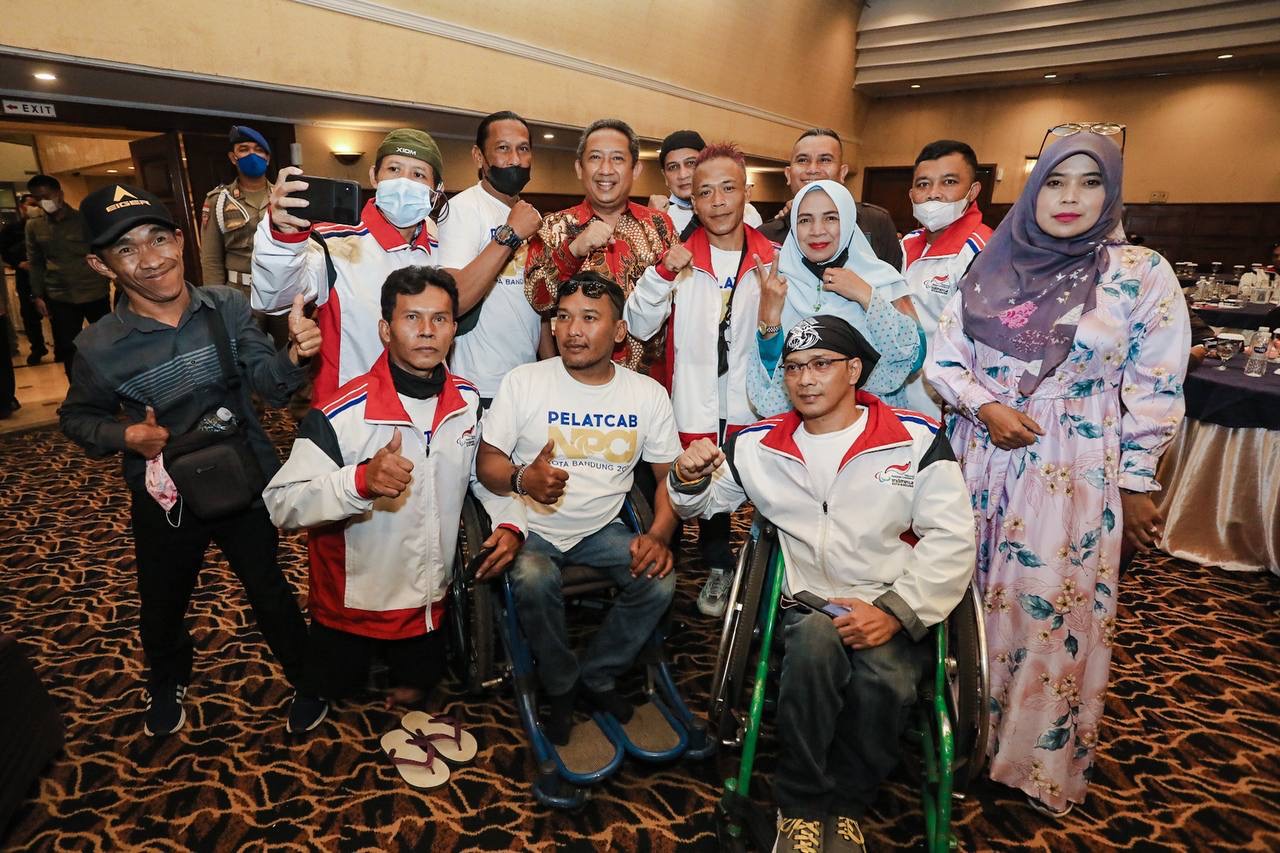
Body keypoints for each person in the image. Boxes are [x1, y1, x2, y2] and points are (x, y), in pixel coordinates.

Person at [926, 133, 1190, 816]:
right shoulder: (994, 262)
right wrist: (983, 405)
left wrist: (1137, 481)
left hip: (1070, 469)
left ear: (1112, 193)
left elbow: (1157, 384)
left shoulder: (1138, 274)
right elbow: (943, 357)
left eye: (1089, 182)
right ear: (1032, 188)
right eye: (1055, 181)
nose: (1070, 197)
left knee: (1045, 608)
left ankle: (1025, 760)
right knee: (963, 599)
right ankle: (956, 738)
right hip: (979, 457)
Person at [668, 314, 974, 853]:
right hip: (809, 606)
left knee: (885, 680)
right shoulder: (758, 446)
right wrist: (685, 477)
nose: (805, 379)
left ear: (854, 370)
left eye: (820, 365)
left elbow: (952, 538)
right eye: (793, 368)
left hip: (893, 601)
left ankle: (848, 805)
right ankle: (801, 806)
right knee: (812, 643)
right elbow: (701, 504)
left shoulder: (914, 439)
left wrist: (894, 612)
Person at [58, 183, 325, 736]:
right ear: (101, 265)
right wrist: (126, 434)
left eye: (158, 238)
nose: (151, 259)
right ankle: (167, 678)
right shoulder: (98, 347)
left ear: (180, 240)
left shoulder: (225, 307)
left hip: (243, 480)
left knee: (269, 589)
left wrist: (295, 355)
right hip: (166, 497)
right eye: (127, 249)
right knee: (162, 600)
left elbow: (270, 387)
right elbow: (76, 418)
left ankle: (307, 677)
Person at [263, 266, 525, 725]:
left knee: (420, 689)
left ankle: (411, 677)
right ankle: (322, 684)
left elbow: (479, 478)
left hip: (427, 600)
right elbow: (281, 504)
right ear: (385, 330)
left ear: (454, 329)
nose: (427, 331)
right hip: (350, 604)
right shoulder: (340, 414)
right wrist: (360, 482)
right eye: (412, 318)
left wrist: (510, 522)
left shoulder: (467, 403)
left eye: (440, 319)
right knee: (332, 689)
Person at [477, 272, 681, 745]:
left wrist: (659, 536)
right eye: (564, 317)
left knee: (660, 580)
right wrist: (522, 479)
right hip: (530, 524)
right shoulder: (525, 381)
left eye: (590, 318)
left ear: (619, 331)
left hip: (600, 528)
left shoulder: (646, 394)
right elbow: (487, 462)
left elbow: (668, 478)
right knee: (532, 577)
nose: (572, 330)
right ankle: (561, 683)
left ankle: (598, 673)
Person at [625, 141, 775, 617]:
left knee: (763, 491)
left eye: (728, 188)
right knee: (695, 484)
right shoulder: (680, 259)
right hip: (694, 398)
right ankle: (712, 567)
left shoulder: (773, 259)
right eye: (705, 192)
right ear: (692, 199)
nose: (718, 201)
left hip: (755, 400)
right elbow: (638, 324)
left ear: (746, 191)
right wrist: (661, 274)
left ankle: (764, 580)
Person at [253, 127, 456, 402]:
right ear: (374, 176)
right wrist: (283, 237)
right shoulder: (332, 241)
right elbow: (276, 297)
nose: (404, 182)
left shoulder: (444, 245)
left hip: (425, 403)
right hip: (348, 407)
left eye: (418, 174)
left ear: (436, 190)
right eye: (394, 169)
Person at [749, 180, 922, 416]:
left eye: (831, 218)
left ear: (849, 220)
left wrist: (866, 295)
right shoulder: (777, 283)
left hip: (871, 420)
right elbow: (767, 382)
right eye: (805, 220)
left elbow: (914, 359)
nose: (817, 230)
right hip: (800, 422)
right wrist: (769, 318)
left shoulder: (881, 278)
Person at [523, 118, 678, 375]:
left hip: (649, 382)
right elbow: (539, 302)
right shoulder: (554, 226)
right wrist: (573, 250)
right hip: (577, 378)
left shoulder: (660, 226)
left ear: (635, 169)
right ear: (579, 168)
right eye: (595, 157)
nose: (606, 169)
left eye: (617, 158)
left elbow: (681, 305)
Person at [436, 110, 544, 405]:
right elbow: (453, 298)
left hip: (527, 379)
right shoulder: (462, 209)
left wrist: (551, 370)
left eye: (523, 149)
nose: (515, 160)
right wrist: (511, 234)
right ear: (479, 157)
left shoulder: (528, 214)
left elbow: (538, 303)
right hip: (480, 385)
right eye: (503, 148)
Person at [900, 139, 993, 417]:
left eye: (949, 182)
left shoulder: (984, 251)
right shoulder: (906, 244)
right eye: (923, 184)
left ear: (972, 191)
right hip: (900, 397)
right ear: (911, 194)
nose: (933, 194)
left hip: (949, 405)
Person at [757, 128, 902, 270]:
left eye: (825, 160)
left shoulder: (876, 223)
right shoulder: (766, 235)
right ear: (788, 174)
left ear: (842, 173)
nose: (812, 169)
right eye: (802, 160)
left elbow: (894, 282)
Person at [25, 174, 112, 379]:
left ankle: (112, 386)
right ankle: (78, 392)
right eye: (38, 198)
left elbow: (103, 252)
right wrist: (37, 295)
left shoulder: (85, 220)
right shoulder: (34, 226)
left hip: (94, 291)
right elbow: (35, 262)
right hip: (60, 294)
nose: (44, 202)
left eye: (47, 196)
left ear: (60, 194)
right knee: (69, 347)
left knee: (106, 342)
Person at [647, 130, 762, 240]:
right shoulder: (659, 216)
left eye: (691, 163)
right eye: (673, 167)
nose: (683, 175)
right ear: (665, 176)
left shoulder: (744, 212)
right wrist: (649, 221)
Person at [200, 126, 272, 294]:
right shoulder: (219, 200)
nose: (252, 155)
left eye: (259, 150)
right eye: (244, 149)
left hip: (283, 289)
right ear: (233, 158)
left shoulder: (285, 197)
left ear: (267, 158)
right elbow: (211, 259)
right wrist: (217, 299)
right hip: (240, 292)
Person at [0, 193, 48, 365]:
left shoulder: (47, 225)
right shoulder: (12, 230)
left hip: (47, 274)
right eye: (31, 204)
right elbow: (4, 251)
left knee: (57, 311)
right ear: (22, 207)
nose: (35, 208)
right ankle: (37, 348)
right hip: (25, 275)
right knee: (29, 314)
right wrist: (18, 263)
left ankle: (62, 348)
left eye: (37, 204)